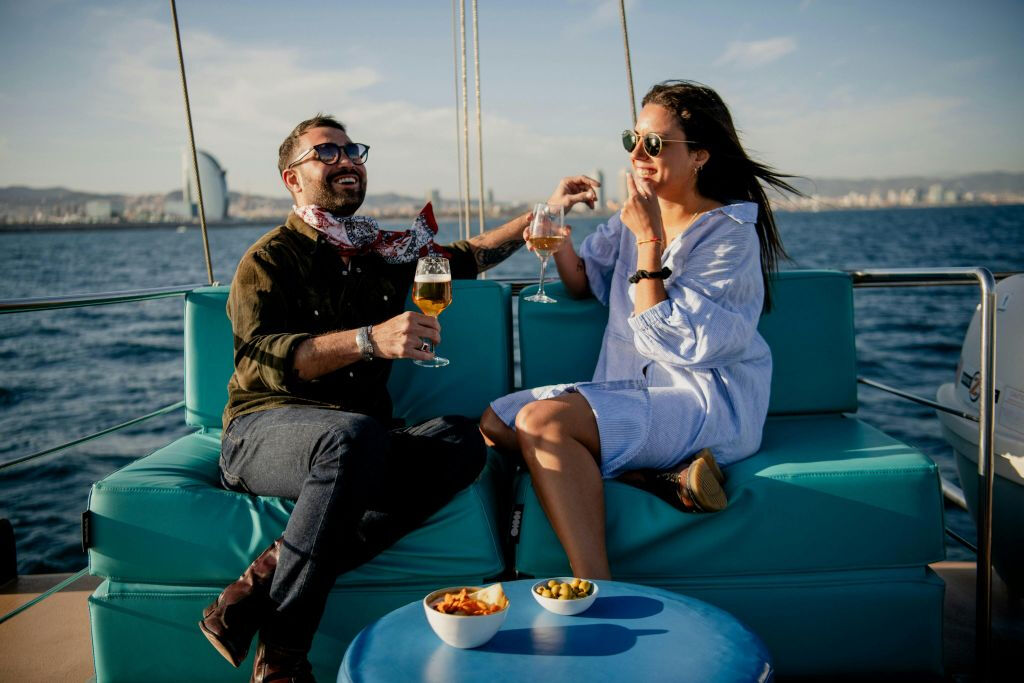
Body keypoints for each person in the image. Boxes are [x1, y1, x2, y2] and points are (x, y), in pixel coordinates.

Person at [198, 113, 599, 681]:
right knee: (353, 435)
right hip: (262, 431)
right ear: (292, 179)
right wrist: (368, 341)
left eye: (352, 151)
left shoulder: (381, 254)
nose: (347, 161)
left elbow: (466, 255)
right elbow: (264, 361)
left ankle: (265, 577)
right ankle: (283, 656)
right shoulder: (269, 259)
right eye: (327, 154)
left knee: (463, 440)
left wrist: (547, 212)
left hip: (356, 442)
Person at [480, 80, 797, 581]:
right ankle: (649, 477)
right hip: (634, 391)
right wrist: (557, 222)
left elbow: (671, 340)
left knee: (543, 424)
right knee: (496, 423)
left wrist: (648, 239)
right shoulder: (632, 215)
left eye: (655, 144)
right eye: (633, 140)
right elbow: (585, 282)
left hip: (701, 401)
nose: (638, 155)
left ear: (699, 157)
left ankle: (596, 584)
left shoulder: (727, 235)